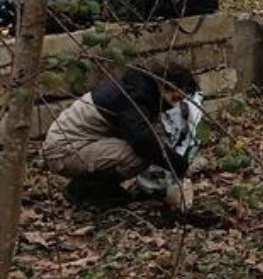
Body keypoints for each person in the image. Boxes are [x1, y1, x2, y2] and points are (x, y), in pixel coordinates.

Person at [43, 64, 199, 209]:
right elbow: (141, 140)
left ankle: (104, 189)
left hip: (73, 144)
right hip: (64, 151)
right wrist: (178, 165)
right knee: (138, 156)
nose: (174, 106)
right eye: (175, 99)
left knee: (148, 148)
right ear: (165, 86)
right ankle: (84, 189)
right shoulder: (136, 96)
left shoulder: (138, 88)